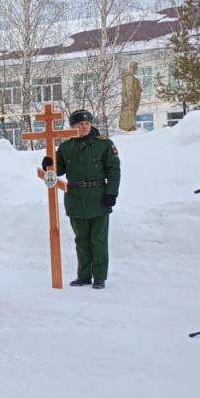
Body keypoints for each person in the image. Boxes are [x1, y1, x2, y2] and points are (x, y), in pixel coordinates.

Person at [42, 109, 121, 289]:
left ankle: (99, 277)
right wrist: (48, 163)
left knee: (98, 240)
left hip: (99, 197)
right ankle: (84, 276)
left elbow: (114, 170)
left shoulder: (104, 144)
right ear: (73, 126)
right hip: (76, 198)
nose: (84, 127)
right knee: (81, 240)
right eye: (80, 124)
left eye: (87, 123)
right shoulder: (66, 147)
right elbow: (57, 170)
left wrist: (111, 193)